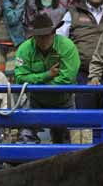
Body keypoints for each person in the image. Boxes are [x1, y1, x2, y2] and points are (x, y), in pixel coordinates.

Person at [15, 13, 80, 144]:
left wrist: (37, 82)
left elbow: (68, 78)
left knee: (67, 143)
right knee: (25, 137)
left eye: (46, 35)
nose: (43, 40)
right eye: (40, 36)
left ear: (54, 33)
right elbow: (20, 78)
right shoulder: (24, 49)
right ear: (34, 36)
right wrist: (47, 75)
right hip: (35, 101)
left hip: (63, 102)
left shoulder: (67, 46)